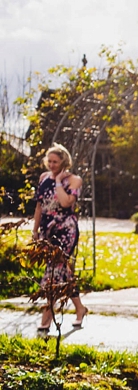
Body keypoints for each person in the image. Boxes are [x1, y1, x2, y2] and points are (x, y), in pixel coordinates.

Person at [31, 143, 87, 334]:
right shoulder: (42, 178)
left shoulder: (74, 180)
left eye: (55, 161)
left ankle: (46, 317)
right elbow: (39, 207)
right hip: (48, 230)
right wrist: (35, 230)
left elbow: (65, 202)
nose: (52, 165)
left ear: (64, 161)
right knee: (63, 272)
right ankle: (80, 308)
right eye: (50, 161)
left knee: (54, 270)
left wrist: (57, 182)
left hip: (66, 231)